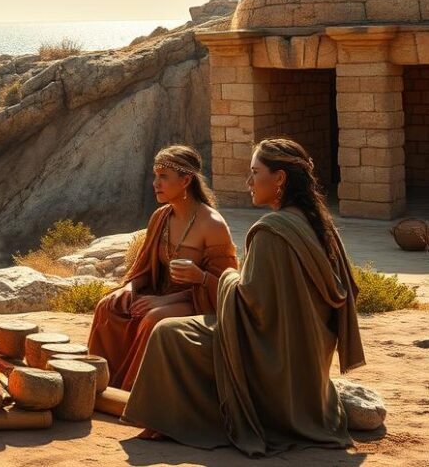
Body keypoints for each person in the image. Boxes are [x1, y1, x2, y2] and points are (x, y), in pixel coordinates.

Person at [124, 138, 366, 456]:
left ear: (279, 178)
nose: (248, 182)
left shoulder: (271, 231)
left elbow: (250, 304)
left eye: (255, 172)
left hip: (270, 356)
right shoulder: (320, 226)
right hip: (307, 358)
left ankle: (184, 420)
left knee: (169, 334)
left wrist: (208, 278)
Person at [88, 145, 238, 389]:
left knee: (153, 318)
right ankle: (101, 383)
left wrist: (170, 298)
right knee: (109, 306)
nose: (156, 183)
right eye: (155, 176)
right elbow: (144, 269)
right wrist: (129, 287)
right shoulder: (161, 217)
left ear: (186, 180)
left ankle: (135, 393)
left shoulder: (212, 225)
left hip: (198, 299)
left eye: (164, 177)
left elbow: (225, 285)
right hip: (162, 293)